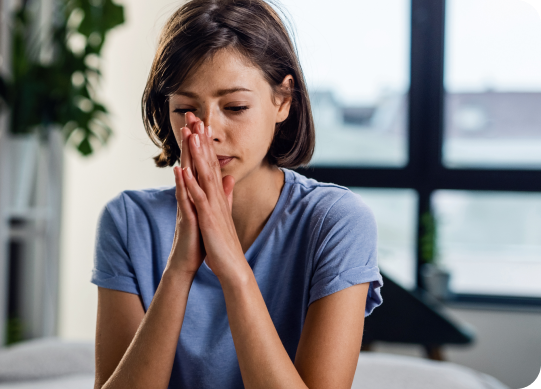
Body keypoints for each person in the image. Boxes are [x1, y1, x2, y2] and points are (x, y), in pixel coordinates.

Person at [91, 1, 384, 388]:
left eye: (235, 106)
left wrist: (233, 268)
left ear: (283, 100)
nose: (208, 131)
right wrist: (179, 271)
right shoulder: (129, 221)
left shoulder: (336, 222)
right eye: (185, 109)